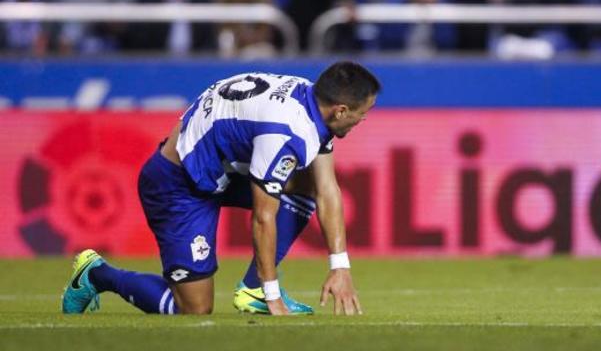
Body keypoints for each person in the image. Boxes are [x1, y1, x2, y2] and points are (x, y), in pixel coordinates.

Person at [61, 61, 380, 316]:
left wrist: (340, 267)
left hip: (217, 170)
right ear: (340, 110)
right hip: (177, 183)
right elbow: (262, 218)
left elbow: (327, 189)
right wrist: (273, 296)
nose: (362, 121)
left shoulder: (310, 101)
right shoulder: (287, 132)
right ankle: (96, 274)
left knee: (304, 187)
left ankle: (252, 288)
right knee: (194, 308)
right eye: (361, 115)